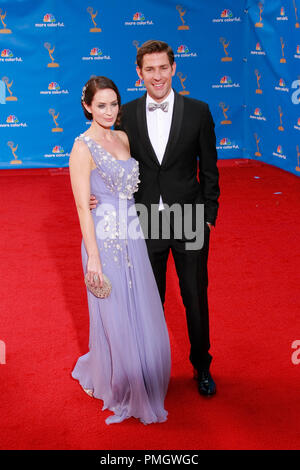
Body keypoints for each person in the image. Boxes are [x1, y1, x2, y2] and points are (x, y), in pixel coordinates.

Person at [90, 40, 220, 396]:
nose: (157, 75)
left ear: (174, 68)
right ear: (139, 73)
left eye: (163, 67)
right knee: (149, 300)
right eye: (150, 69)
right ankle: (150, 371)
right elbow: (104, 156)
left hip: (190, 218)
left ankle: (202, 366)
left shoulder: (198, 111)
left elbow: (210, 169)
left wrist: (209, 216)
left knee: (195, 296)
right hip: (143, 221)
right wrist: (91, 191)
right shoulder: (126, 114)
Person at [69, 76, 171, 425]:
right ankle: (117, 380)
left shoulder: (123, 137)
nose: (109, 111)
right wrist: (93, 257)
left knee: (136, 303)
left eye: (113, 104)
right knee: (113, 311)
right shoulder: (82, 147)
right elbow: (84, 206)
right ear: (87, 107)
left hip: (131, 233)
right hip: (103, 239)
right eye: (101, 105)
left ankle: (136, 369)